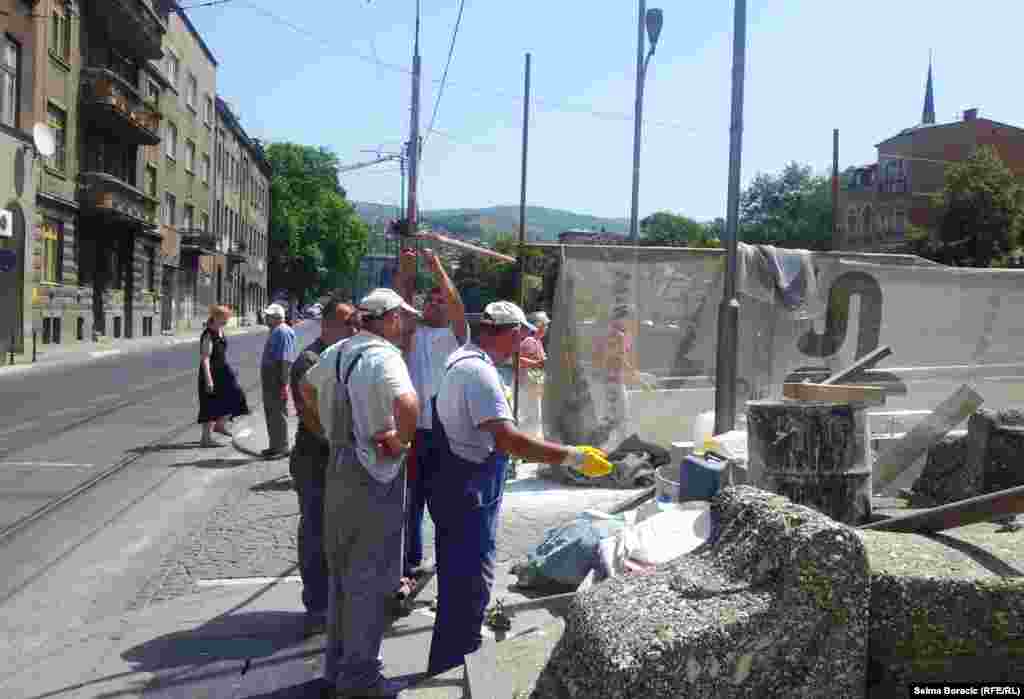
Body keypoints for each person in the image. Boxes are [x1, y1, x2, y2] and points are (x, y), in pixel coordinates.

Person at [425, 300, 614, 676]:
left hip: (459, 489)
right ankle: (455, 671)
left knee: (458, 588)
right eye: (520, 335)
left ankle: (447, 663)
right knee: (468, 589)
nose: (521, 343)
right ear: (510, 333)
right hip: (468, 496)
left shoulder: (462, 360)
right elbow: (510, 441)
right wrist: (573, 457)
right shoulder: (478, 374)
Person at [301, 288, 420, 698]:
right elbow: (408, 404)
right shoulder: (384, 356)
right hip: (373, 475)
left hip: (338, 467)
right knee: (369, 578)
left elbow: (306, 389)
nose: (404, 325)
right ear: (387, 319)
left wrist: (329, 432)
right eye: (401, 318)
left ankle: (337, 668)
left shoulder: (339, 351)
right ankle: (361, 678)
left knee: (341, 574)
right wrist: (401, 442)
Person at [395, 246, 467, 588]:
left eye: (440, 300)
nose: (435, 303)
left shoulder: (456, 336)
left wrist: (436, 266)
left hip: (445, 433)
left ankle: (450, 562)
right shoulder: (411, 332)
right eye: (430, 299)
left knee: (445, 503)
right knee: (410, 502)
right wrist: (407, 270)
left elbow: (456, 305)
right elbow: (397, 302)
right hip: (414, 433)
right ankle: (410, 562)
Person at [288, 298, 360, 635]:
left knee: (341, 532)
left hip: (339, 456)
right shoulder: (310, 360)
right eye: (347, 322)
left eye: (356, 322)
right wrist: (342, 445)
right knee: (316, 531)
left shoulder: (345, 357)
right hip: (315, 458)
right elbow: (312, 417)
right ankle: (316, 607)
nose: (353, 328)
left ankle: (336, 602)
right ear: (326, 324)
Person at [590, 303, 641, 450]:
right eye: (629, 318)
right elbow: (614, 357)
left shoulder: (619, 334)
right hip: (612, 382)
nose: (631, 321)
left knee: (613, 418)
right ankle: (617, 449)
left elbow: (617, 357)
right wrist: (634, 373)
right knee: (618, 418)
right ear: (620, 318)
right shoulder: (616, 334)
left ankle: (606, 447)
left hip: (612, 381)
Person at [197, 305, 250, 447]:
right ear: (216, 317)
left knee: (237, 395)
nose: (227, 320)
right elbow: (205, 358)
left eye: (228, 317)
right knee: (209, 403)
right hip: (211, 373)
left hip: (223, 371)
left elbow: (221, 354)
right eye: (225, 317)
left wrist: (231, 370)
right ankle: (206, 439)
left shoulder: (220, 331)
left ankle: (220, 425)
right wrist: (208, 379)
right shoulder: (209, 334)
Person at [260, 303, 296, 458]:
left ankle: (281, 447)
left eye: (268, 316)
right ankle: (275, 445)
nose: (265, 318)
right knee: (271, 411)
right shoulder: (275, 331)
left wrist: (284, 383)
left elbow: (285, 360)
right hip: (271, 376)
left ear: (276, 318)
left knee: (277, 412)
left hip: (276, 377)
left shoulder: (282, 331)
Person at [516, 311, 549, 439]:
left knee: (535, 412)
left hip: (533, 383)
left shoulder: (537, 341)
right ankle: (528, 439)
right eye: (545, 325)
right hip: (527, 383)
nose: (546, 328)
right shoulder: (529, 340)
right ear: (538, 326)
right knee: (530, 413)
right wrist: (536, 364)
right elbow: (518, 359)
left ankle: (533, 438)